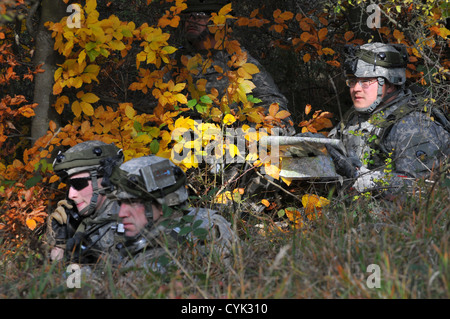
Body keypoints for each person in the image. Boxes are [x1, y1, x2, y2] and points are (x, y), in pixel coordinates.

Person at [325, 42, 450, 197]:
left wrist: (362, 177)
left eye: (366, 81)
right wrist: (315, 149)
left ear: (390, 84)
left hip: (401, 218)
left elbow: (422, 191)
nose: (356, 88)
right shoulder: (356, 116)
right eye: (353, 81)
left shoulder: (414, 126)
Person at [165, 0, 295, 135]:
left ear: (218, 22)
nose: (191, 20)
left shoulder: (238, 61)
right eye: (188, 16)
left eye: (199, 15)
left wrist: (248, 136)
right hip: (182, 145)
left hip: (231, 146)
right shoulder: (176, 61)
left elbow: (273, 105)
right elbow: (152, 110)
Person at [104, 155, 237, 270]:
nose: (122, 213)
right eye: (120, 203)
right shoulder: (137, 235)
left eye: (133, 202)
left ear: (163, 205)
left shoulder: (203, 233)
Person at [45, 140, 124, 263]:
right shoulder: (79, 219)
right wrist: (60, 244)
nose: (71, 195)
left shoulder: (129, 220)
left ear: (105, 180)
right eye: (69, 185)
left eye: (78, 184)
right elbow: (56, 278)